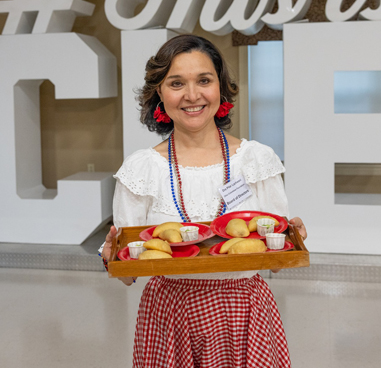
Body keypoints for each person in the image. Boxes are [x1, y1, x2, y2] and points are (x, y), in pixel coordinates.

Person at [101, 34, 307, 368]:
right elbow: (129, 273)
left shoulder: (255, 161)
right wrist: (112, 259)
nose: (192, 95)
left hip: (245, 310)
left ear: (221, 89)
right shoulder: (142, 169)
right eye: (177, 83)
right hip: (169, 313)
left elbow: (273, 259)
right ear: (159, 94)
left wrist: (292, 241)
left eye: (204, 80)